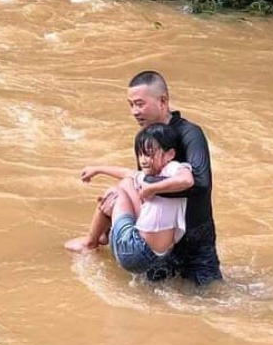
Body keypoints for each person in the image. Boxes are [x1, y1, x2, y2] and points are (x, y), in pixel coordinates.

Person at [65, 70, 222, 286]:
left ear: (163, 101)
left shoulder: (190, 133)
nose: (134, 112)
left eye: (140, 104)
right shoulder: (146, 139)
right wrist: (121, 213)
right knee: (154, 301)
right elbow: (142, 185)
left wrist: (146, 187)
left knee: (211, 297)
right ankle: (104, 235)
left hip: (195, 235)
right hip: (162, 237)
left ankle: (96, 239)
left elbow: (201, 183)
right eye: (130, 105)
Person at [80, 124, 193, 275]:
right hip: (158, 257)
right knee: (127, 182)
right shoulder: (154, 174)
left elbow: (187, 180)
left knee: (115, 192)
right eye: (140, 154)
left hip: (134, 251)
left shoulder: (172, 168)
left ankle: (91, 242)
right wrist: (97, 169)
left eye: (149, 154)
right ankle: (104, 232)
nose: (143, 160)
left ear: (169, 155)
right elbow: (127, 173)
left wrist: (152, 189)